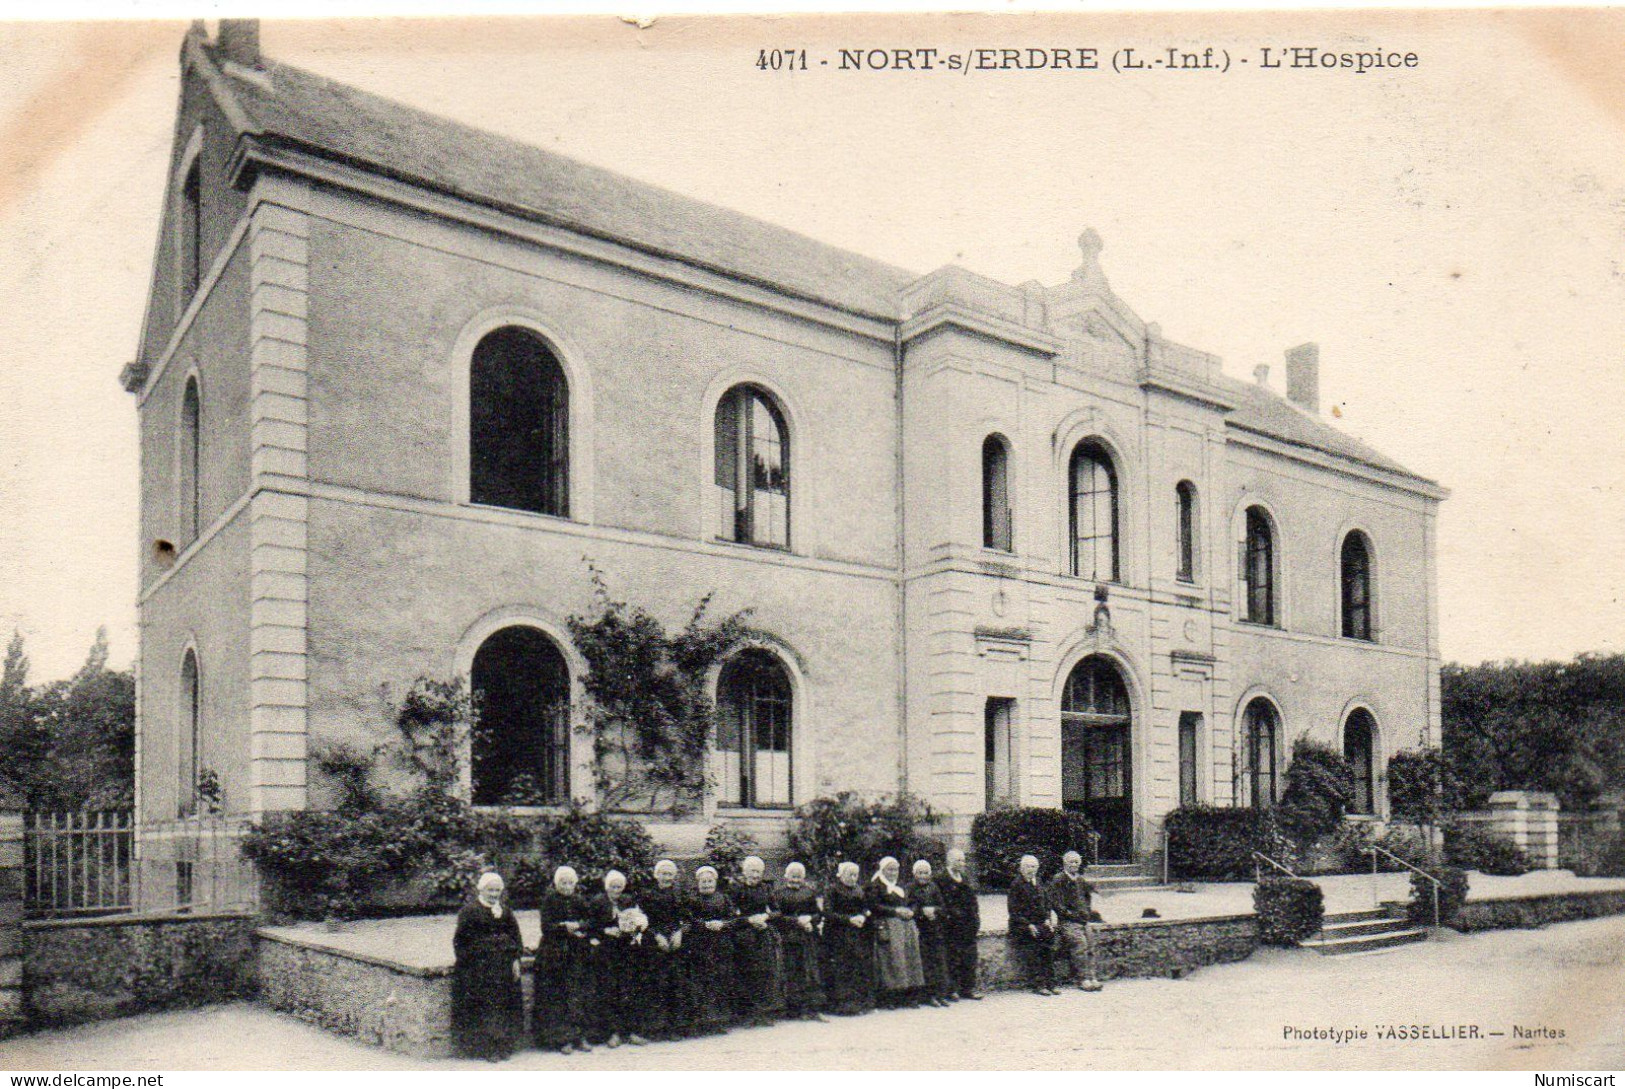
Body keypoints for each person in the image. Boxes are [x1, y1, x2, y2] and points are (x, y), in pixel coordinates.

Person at [451, 871, 525, 1061]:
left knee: (503, 1006)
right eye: (490, 890)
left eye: (497, 891)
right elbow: (461, 942)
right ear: (481, 890)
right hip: (479, 970)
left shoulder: (506, 912)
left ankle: (503, 1044)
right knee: (485, 1007)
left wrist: (515, 959)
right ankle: (486, 1047)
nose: (494, 894)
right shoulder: (469, 912)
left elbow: (516, 938)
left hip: (503, 969)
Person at [534, 865, 597, 1054]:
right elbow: (546, 926)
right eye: (563, 882)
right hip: (555, 954)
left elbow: (591, 922)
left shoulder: (579, 900)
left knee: (577, 994)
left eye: (570, 882)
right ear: (556, 883)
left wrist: (579, 925)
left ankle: (579, 1036)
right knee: (558, 996)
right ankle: (563, 1039)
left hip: (577, 954)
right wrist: (564, 927)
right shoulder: (549, 901)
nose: (567, 886)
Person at [588, 869, 651, 1047]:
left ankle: (631, 1031)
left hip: (626, 950)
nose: (616, 890)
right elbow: (590, 925)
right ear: (607, 887)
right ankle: (612, 1033)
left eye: (620, 887)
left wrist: (634, 929)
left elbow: (637, 920)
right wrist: (605, 930)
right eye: (613, 887)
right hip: (606, 951)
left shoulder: (628, 900)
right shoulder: (597, 902)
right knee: (609, 990)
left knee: (628, 988)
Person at [639, 859, 693, 1040]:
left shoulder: (681, 894)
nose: (666, 877)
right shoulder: (647, 895)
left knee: (676, 983)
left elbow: (687, 919)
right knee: (657, 983)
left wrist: (679, 932)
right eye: (663, 873)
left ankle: (675, 1027)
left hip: (676, 943)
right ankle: (656, 1028)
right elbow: (643, 921)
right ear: (656, 875)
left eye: (670, 874)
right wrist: (657, 936)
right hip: (655, 942)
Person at [730, 855, 786, 1026]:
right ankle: (747, 1014)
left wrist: (765, 916)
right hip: (744, 934)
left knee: (765, 972)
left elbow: (777, 911)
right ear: (745, 872)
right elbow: (731, 914)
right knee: (747, 972)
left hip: (763, 933)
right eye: (752, 871)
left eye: (758, 872)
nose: (755, 875)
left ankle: (763, 1012)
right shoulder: (736, 889)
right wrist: (748, 920)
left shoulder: (766, 889)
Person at [684, 865, 738, 1034]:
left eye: (709, 881)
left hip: (720, 943)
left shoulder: (723, 898)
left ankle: (719, 1021)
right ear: (698, 882)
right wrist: (705, 924)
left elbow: (733, 919)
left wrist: (722, 924)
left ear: (715, 882)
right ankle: (702, 1022)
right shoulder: (692, 899)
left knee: (720, 979)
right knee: (701, 981)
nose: (706, 884)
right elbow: (688, 919)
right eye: (703, 881)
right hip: (699, 943)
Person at [867, 856, 926, 1008]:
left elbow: (914, 901)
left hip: (906, 927)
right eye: (890, 869)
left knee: (909, 959)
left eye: (896, 869)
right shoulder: (876, 886)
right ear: (882, 870)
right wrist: (895, 911)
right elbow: (874, 906)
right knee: (892, 962)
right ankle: (891, 998)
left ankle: (908, 996)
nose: (893, 872)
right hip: (888, 926)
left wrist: (911, 911)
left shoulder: (902, 885)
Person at [773, 861, 826, 1021]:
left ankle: (813, 1009)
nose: (795, 880)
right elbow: (778, 917)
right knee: (792, 972)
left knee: (811, 972)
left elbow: (818, 914)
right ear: (786, 876)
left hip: (808, 937)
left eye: (798, 877)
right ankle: (795, 1010)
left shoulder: (809, 892)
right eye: (792, 876)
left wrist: (810, 919)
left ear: (803, 878)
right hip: (789, 938)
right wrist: (797, 921)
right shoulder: (778, 894)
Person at [820, 861, 875, 1016]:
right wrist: (848, 919)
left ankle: (858, 1003)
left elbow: (865, 907)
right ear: (841, 875)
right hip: (838, 934)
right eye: (849, 874)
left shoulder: (858, 889)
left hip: (856, 933)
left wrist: (863, 916)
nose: (853, 878)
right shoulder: (832, 889)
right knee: (841, 968)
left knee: (856, 966)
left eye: (855, 875)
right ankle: (842, 1005)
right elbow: (828, 912)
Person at [1007, 854, 1058, 996]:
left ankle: (1051, 982)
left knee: (1048, 945)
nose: (1032, 870)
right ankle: (1039, 983)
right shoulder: (1016, 885)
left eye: (1034, 866)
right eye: (1028, 866)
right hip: (1022, 925)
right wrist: (1028, 925)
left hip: (1040, 923)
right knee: (1034, 946)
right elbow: (1014, 911)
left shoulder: (1039, 882)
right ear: (1021, 868)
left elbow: (1047, 904)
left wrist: (1048, 919)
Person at [1048, 850, 1097, 990]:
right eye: (1071, 862)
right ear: (1065, 863)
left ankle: (1092, 976)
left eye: (1076, 862)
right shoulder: (1058, 879)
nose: (1074, 864)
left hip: (1082, 920)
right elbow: (1055, 903)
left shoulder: (1081, 880)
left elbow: (1087, 898)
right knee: (1080, 945)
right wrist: (1069, 914)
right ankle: (1083, 979)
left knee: (1091, 944)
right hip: (1067, 922)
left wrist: (1086, 913)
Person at [907, 859, 954, 1007]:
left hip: (934, 929)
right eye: (920, 873)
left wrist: (935, 911)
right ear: (914, 874)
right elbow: (909, 908)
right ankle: (924, 996)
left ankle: (939, 994)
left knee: (938, 962)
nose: (923, 876)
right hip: (919, 930)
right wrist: (921, 913)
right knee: (923, 963)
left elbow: (943, 907)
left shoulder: (934, 887)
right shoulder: (910, 888)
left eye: (926, 873)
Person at [939, 848, 983, 1001]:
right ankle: (952, 990)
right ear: (950, 861)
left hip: (967, 925)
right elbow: (940, 902)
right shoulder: (941, 878)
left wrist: (975, 918)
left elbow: (972, 900)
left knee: (969, 957)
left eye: (963, 860)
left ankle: (968, 988)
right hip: (951, 925)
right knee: (952, 958)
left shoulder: (964, 877)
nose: (962, 863)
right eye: (959, 860)